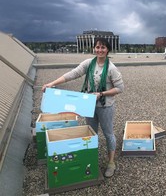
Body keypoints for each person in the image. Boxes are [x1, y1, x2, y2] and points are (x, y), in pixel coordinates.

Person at [41, 38, 124, 178]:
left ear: (108, 49)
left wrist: (101, 93)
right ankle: (91, 157)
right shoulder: (88, 64)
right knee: (91, 132)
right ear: (94, 48)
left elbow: (120, 88)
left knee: (108, 133)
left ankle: (111, 162)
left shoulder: (111, 68)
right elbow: (72, 74)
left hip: (105, 106)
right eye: (97, 47)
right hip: (89, 104)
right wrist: (52, 83)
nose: (100, 50)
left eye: (103, 47)